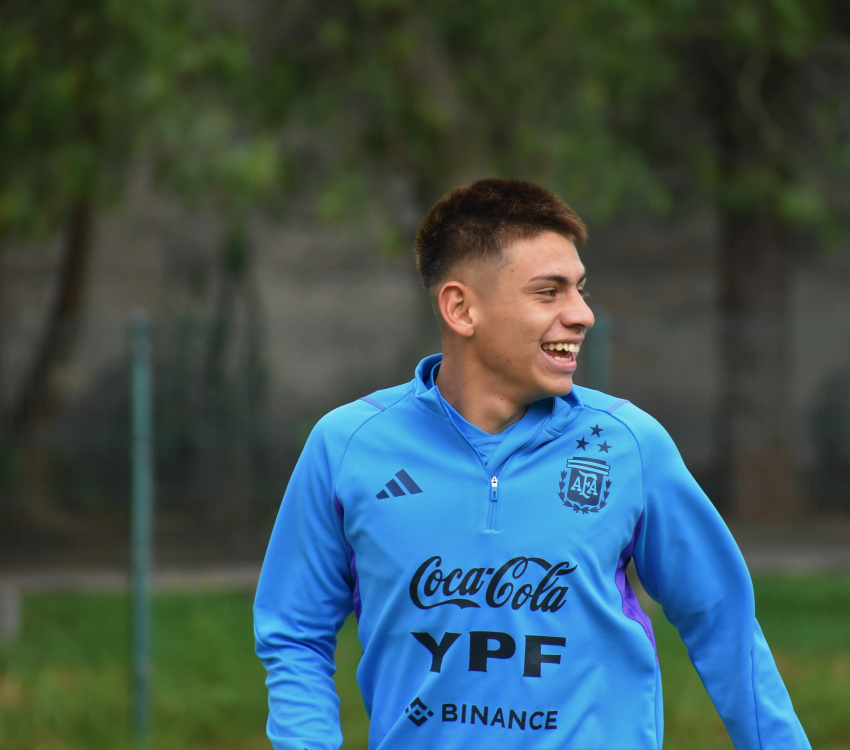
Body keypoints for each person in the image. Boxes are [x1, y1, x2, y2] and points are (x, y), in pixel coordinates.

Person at [254, 178, 811, 750]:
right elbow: (295, 633)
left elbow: (723, 622)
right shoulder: (347, 446)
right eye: (549, 292)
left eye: (580, 289)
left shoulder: (630, 445)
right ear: (461, 308)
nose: (582, 314)